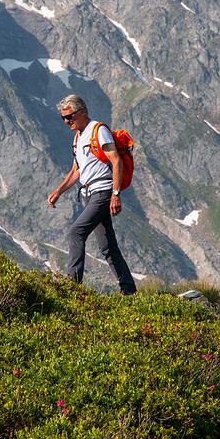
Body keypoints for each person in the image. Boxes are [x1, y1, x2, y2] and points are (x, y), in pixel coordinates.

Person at [47, 95, 136, 295]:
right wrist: (58, 191)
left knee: (76, 232)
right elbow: (75, 171)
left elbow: (116, 161)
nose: (66, 122)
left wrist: (115, 194)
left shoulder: (98, 130)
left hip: (103, 191)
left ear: (82, 112)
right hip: (89, 194)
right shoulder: (78, 138)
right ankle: (129, 290)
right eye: (63, 118)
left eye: (69, 117)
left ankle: (71, 287)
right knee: (107, 246)